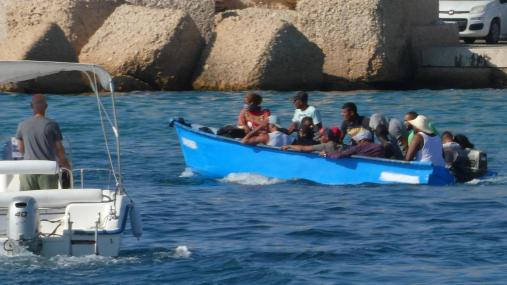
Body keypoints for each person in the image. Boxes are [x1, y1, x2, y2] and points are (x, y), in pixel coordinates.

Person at [16, 94, 71, 190]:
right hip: (47, 169)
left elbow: (20, 149)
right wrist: (66, 164)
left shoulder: (22, 125)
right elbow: (59, 149)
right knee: (47, 201)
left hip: (28, 169)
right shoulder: (52, 125)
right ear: (46, 106)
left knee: (26, 199)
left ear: (31, 106)